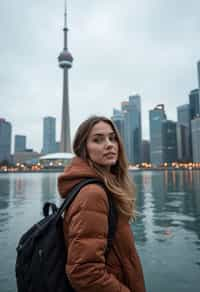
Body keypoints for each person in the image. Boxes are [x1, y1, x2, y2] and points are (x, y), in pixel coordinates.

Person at [58, 116, 146, 292]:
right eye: (98, 140)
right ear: (84, 149)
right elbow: (84, 272)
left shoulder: (105, 188)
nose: (109, 144)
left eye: (112, 138)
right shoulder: (93, 194)